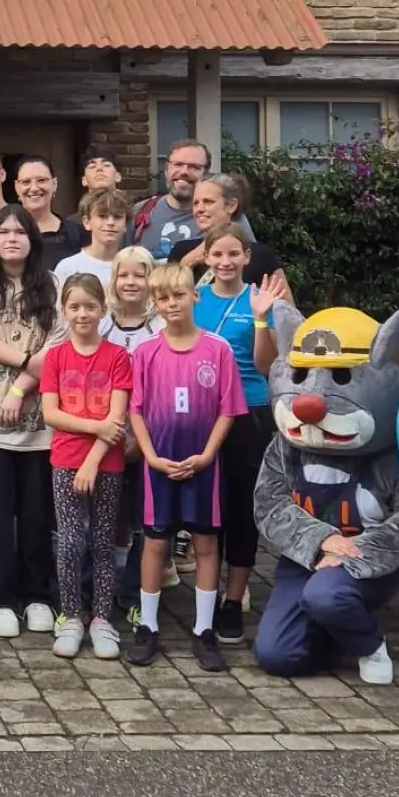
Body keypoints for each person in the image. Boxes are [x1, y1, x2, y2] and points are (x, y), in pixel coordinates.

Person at [253, 305, 399, 686]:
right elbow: (269, 504)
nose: (309, 404)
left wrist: (354, 553)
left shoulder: (394, 455)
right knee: (277, 655)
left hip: (365, 563)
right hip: (305, 558)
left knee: (327, 596)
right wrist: (321, 540)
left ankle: (369, 643)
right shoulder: (285, 447)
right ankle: (336, 632)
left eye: (341, 378)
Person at [125, 263, 245, 671]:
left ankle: (205, 630)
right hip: (158, 464)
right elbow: (136, 411)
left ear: (195, 296)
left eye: (178, 295)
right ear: (153, 304)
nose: (171, 304)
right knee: (155, 544)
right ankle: (149, 626)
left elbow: (228, 410)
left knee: (206, 544)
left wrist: (208, 455)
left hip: (202, 465)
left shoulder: (218, 349)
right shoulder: (145, 352)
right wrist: (151, 456)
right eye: (162, 298)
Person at [0, 205, 64, 639]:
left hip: (41, 421)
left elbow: (57, 347)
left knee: (38, 513)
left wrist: (21, 387)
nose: (12, 239)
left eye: (20, 232)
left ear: (32, 239)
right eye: (4, 232)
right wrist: (25, 361)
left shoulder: (52, 284)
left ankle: (38, 594)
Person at [195, 225, 288, 643]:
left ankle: (233, 599)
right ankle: (205, 594)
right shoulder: (194, 299)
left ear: (246, 256)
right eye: (218, 255)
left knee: (240, 509)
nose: (225, 262)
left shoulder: (259, 300)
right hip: (199, 411)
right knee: (206, 509)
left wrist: (263, 319)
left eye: (234, 254)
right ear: (207, 257)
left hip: (248, 411)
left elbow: (267, 365)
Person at [41, 273, 133, 660]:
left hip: (106, 464)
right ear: (64, 311)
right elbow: (51, 413)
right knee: (70, 540)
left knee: (102, 539)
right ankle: (71, 615)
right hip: (65, 461)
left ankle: (101, 618)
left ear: (103, 309)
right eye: (74, 307)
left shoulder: (117, 357)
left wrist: (93, 461)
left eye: (90, 307)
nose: (82, 314)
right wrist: (94, 427)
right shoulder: (56, 357)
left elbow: (118, 421)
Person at [100, 247, 173, 610]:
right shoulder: (100, 323)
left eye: (139, 274)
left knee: (146, 518)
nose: (131, 282)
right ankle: (100, 587)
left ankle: (134, 594)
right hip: (103, 436)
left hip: (151, 440)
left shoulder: (162, 328)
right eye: (123, 275)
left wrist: (139, 439)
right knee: (106, 516)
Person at [131, 141, 255, 258]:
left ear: (205, 173)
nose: (184, 172)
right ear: (166, 170)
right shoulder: (141, 211)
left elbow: (251, 264)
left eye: (194, 167)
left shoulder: (230, 217)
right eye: (178, 164)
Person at [168, 173, 279, 285]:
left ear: (231, 205)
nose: (199, 209)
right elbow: (165, 297)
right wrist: (188, 261)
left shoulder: (259, 255)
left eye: (208, 202)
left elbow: (285, 302)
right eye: (196, 203)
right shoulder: (181, 250)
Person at [55, 188, 129, 289]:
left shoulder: (134, 268)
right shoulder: (68, 268)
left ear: (125, 224)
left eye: (117, 217)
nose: (111, 222)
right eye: (102, 216)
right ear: (87, 222)